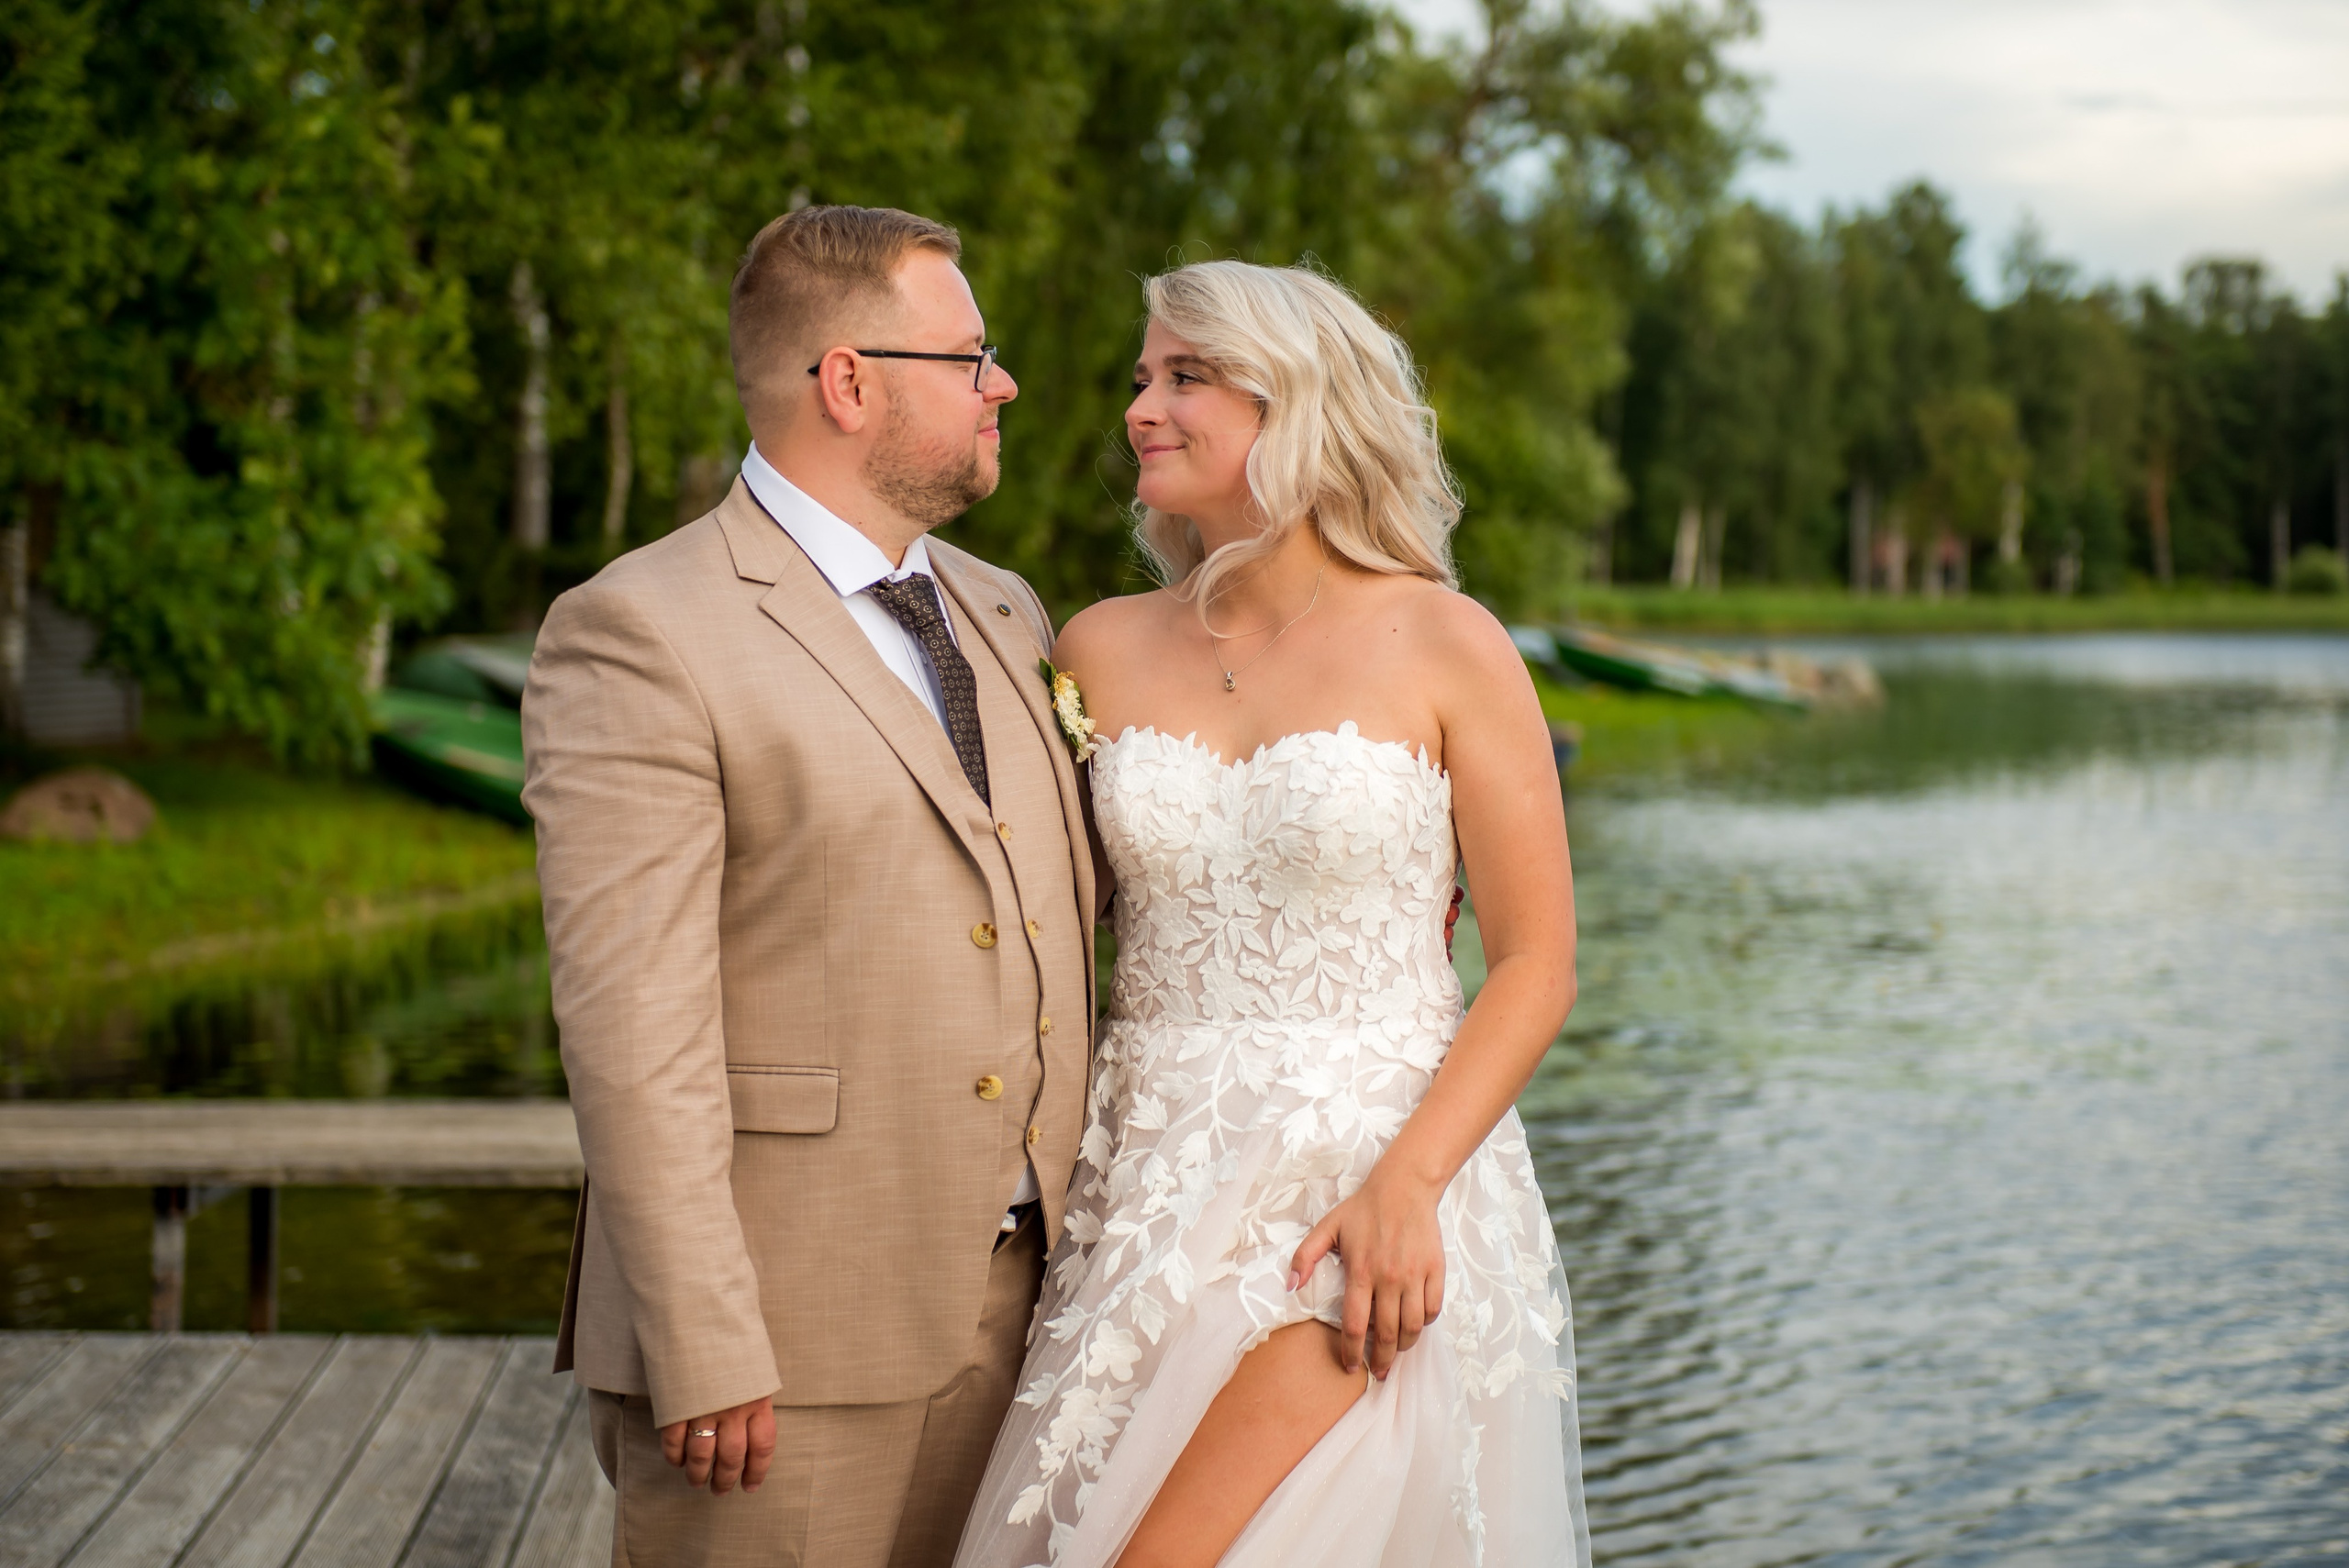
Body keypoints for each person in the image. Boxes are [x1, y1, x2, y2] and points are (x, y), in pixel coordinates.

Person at [953, 260, 1588, 1567]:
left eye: (1187, 376)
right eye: (1141, 376)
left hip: (1375, 1181)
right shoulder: (1094, 648)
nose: (1141, 405)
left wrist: (1407, 1183)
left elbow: (1535, 962)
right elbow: (1028, 923)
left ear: (1297, 405)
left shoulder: (1447, 641)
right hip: (1145, 1185)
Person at [521, 205, 1096, 1568]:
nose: (1001, 382)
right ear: (849, 381)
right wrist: (702, 1332)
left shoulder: (1006, 610)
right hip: (781, 1351)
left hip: (1040, 1316)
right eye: (970, 356)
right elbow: (632, 1030)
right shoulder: (642, 629)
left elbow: (1050, 898)